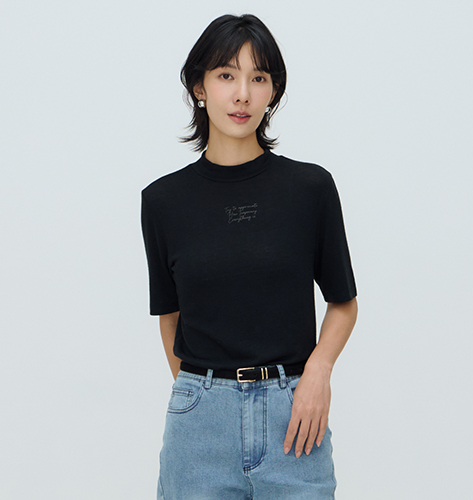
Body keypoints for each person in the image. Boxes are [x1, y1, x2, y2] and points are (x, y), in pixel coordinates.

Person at [140, 13, 358, 500]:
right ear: (199, 87)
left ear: (272, 91)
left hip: (295, 420)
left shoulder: (310, 188)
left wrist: (317, 372)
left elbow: (344, 303)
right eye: (226, 75)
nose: (242, 94)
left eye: (258, 78)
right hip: (199, 427)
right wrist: (204, 399)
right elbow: (170, 317)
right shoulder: (162, 202)